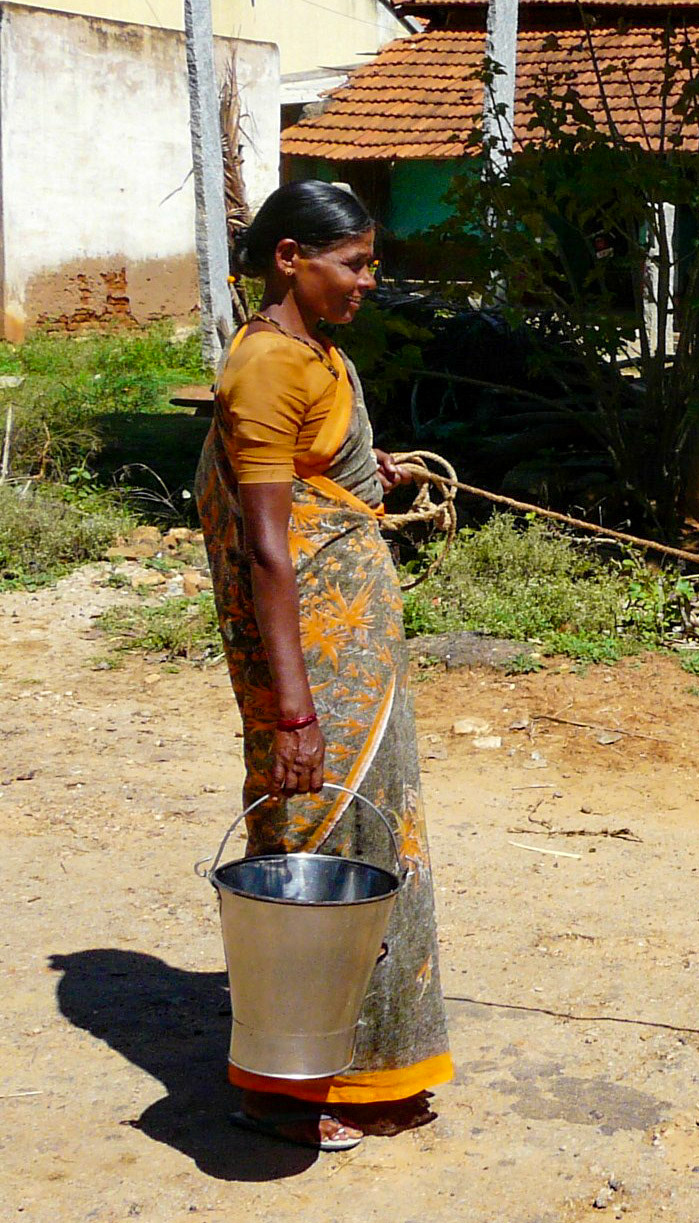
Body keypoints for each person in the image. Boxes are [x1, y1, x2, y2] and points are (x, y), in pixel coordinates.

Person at [196, 180, 452, 1151]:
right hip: (316, 670)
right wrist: (294, 711)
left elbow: (308, 478)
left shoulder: (315, 355)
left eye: (370, 262)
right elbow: (268, 547)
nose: (367, 281)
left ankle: (365, 1063)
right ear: (291, 258)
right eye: (353, 262)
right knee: (315, 834)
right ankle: (285, 1085)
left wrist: (363, 472)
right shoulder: (265, 366)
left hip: (357, 655)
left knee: (369, 840)